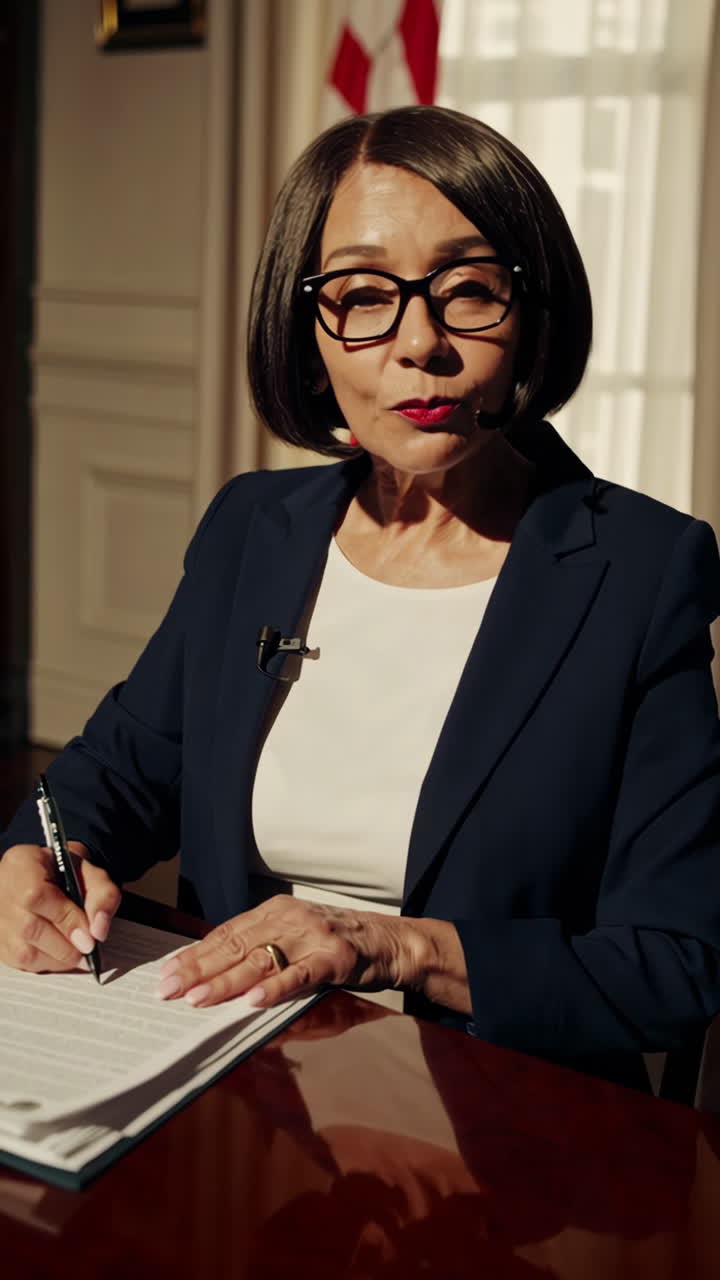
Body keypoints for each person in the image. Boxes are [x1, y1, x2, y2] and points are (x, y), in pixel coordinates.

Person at [2, 106, 719, 1093]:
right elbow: (107, 779)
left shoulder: (640, 571)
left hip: (505, 1135)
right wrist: (33, 859)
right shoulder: (252, 529)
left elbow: (678, 961)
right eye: (365, 294)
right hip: (234, 1098)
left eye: (469, 288)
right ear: (308, 327)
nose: (419, 341)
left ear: (531, 310)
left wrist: (395, 945)